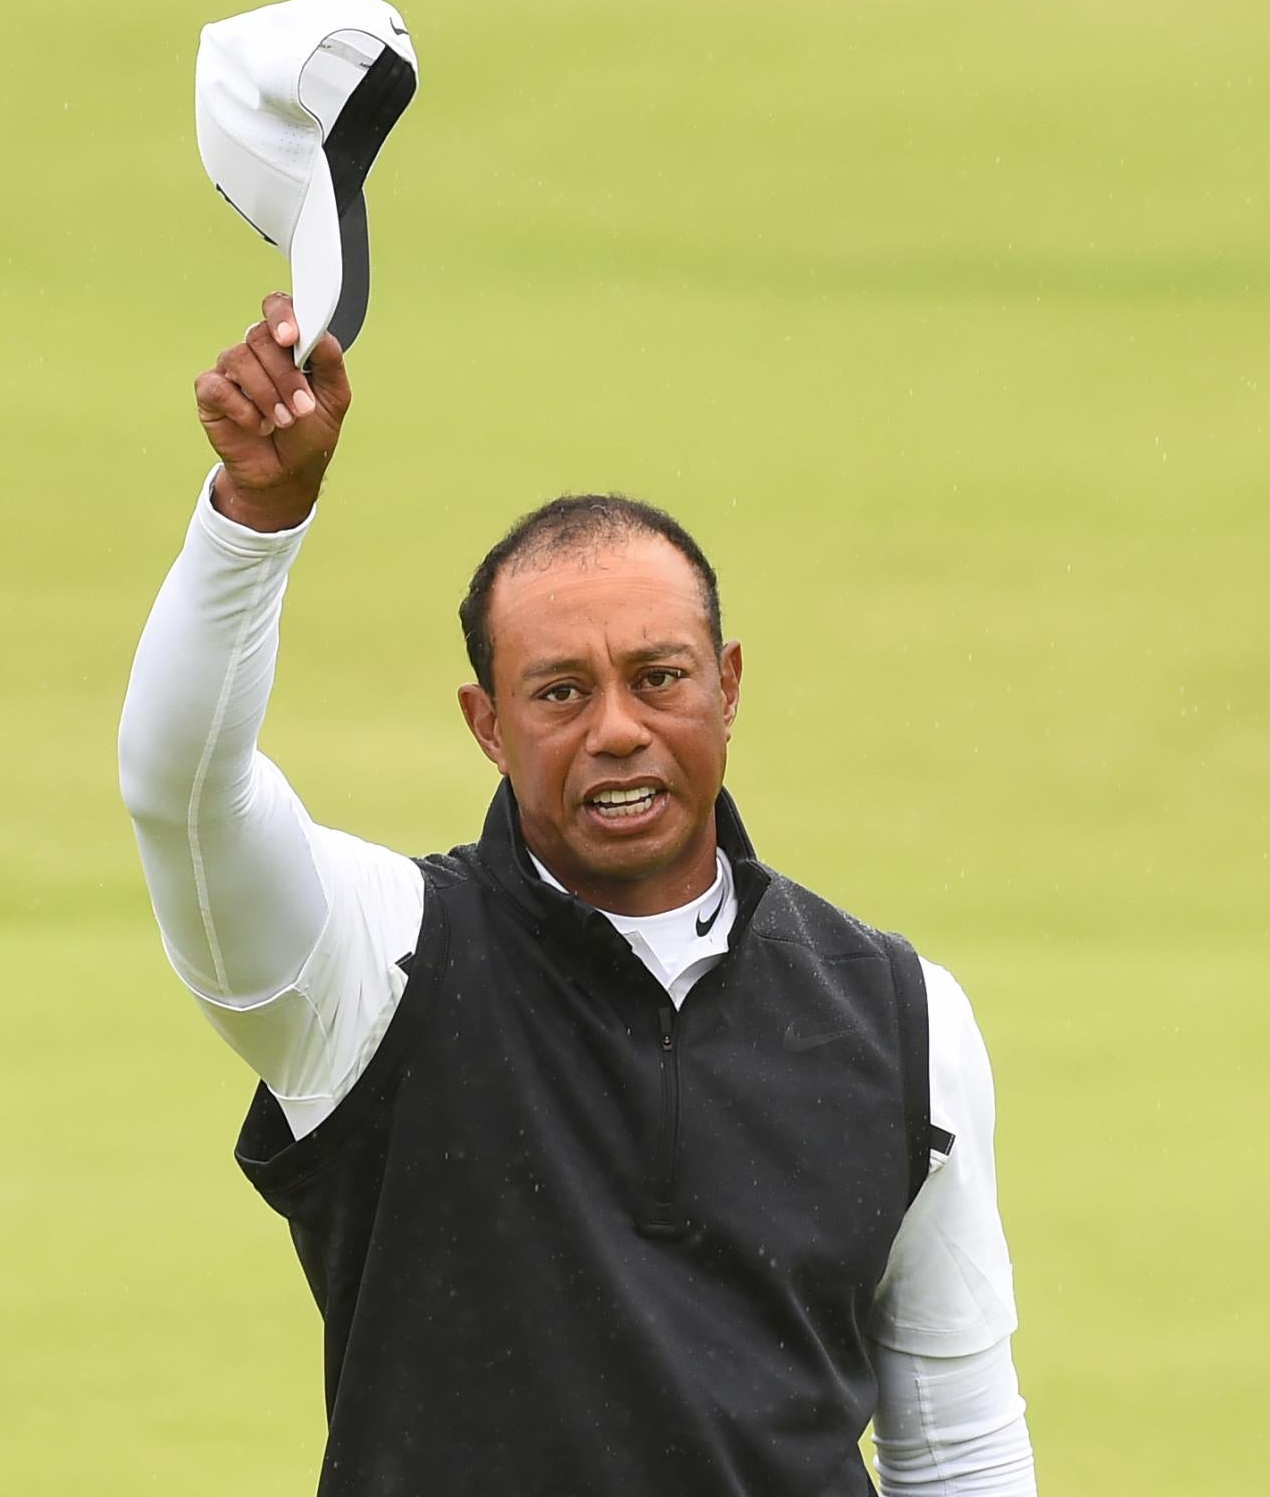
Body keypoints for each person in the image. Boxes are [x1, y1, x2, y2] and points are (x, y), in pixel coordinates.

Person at [117, 293, 1036, 1496]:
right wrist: (254, 521)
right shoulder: (374, 966)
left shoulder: (900, 1013)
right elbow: (181, 792)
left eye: (659, 677)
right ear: (486, 725)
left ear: (728, 685)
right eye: (558, 693)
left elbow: (959, 1450)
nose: (617, 729)